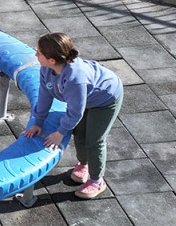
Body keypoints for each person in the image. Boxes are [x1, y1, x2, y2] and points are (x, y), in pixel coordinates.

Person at [23, 32, 124, 200]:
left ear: (52, 60)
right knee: (79, 133)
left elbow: (75, 112)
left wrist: (60, 133)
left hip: (105, 99)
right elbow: (44, 95)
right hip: (86, 98)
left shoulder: (75, 79)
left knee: (94, 141)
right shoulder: (46, 69)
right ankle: (84, 164)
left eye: (38, 52)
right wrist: (38, 122)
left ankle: (97, 180)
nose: (35, 55)